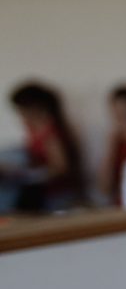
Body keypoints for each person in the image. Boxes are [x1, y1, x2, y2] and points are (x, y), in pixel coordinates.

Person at [6, 80, 85, 212]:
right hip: (43, 194)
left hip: (57, 196)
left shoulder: (51, 133)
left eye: (22, 110)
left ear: (34, 107)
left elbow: (61, 168)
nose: (20, 115)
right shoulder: (33, 130)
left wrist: (31, 176)